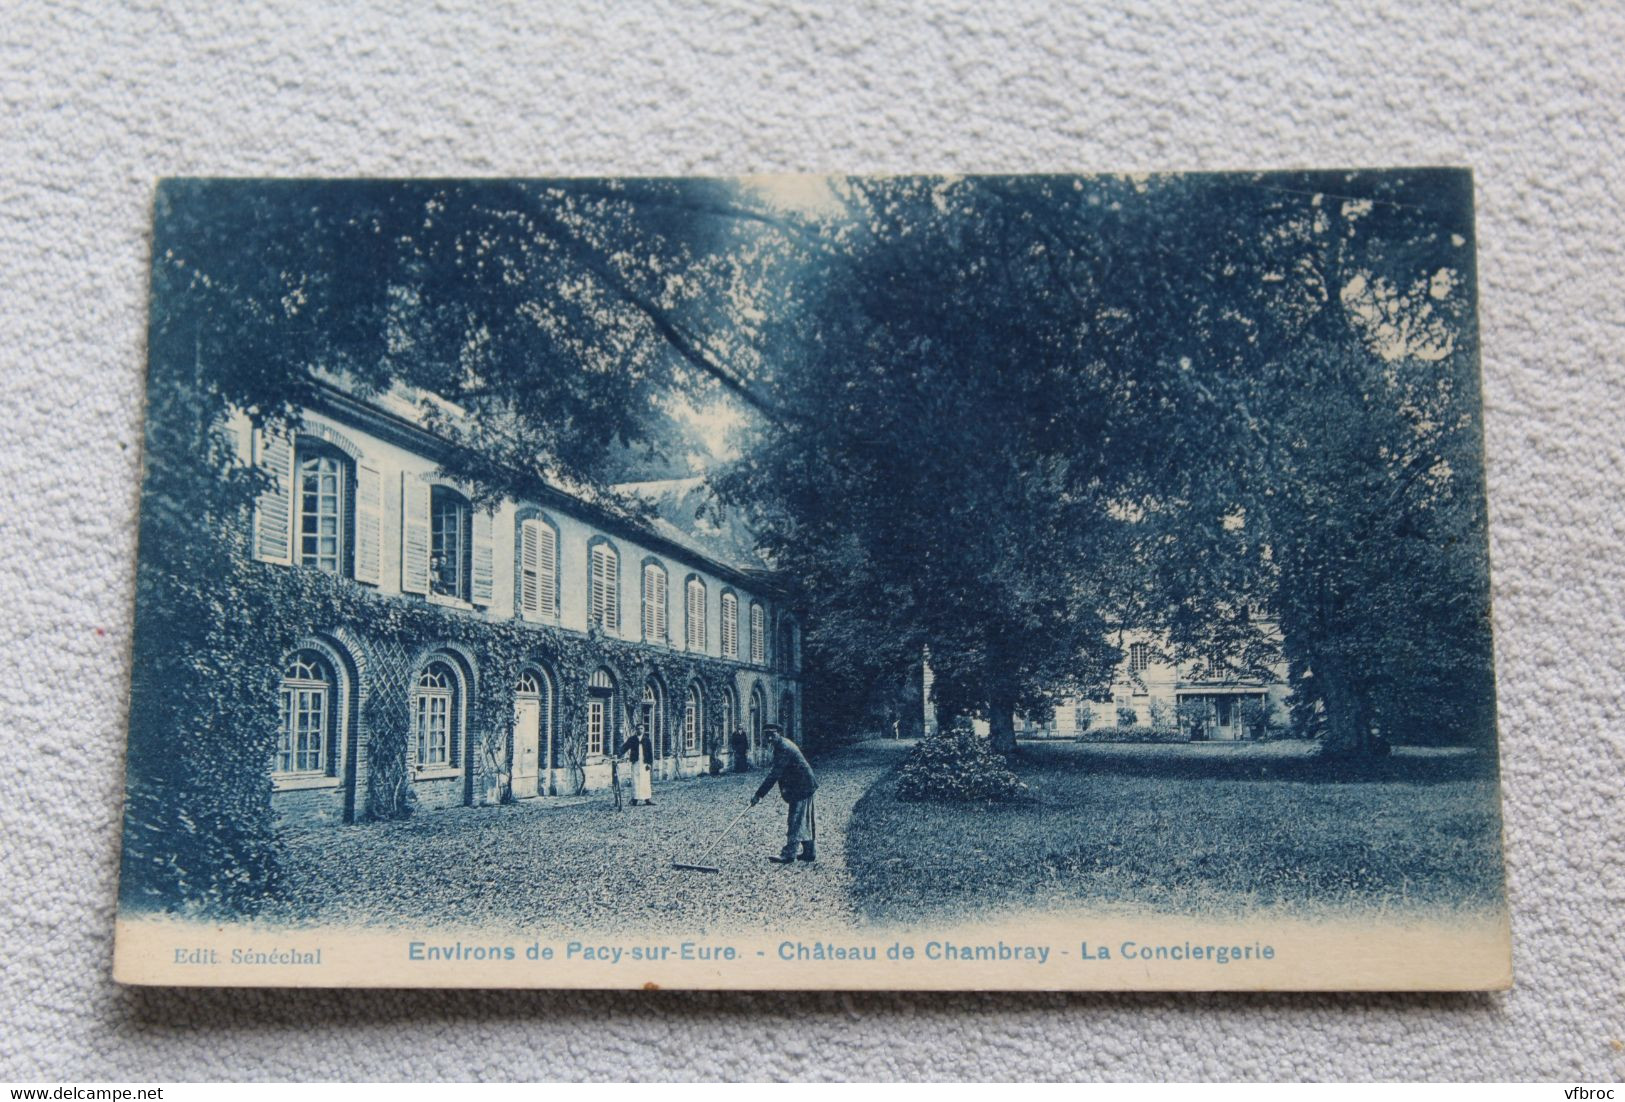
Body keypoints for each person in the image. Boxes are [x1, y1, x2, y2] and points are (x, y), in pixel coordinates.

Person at [749, 725, 818, 864]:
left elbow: (774, 774)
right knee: (803, 819)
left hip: (802, 786)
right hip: (803, 785)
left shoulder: (784, 748)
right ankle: (809, 852)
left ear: (779, 734)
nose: (769, 738)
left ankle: (788, 854)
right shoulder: (781, 745)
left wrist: (759, 795)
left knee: (795, 820)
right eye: (766, 735)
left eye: (772, 735)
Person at [618, 725, 655, 806]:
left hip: (644, 763)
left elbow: (650, 752)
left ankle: (647, 799)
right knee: (635, 780)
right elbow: (625, 747)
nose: (640, 730)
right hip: (636, 762)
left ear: (644, 729)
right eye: (638, 729)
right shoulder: (632, 739)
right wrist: (619, 753)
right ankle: (635, 799)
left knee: (645, 780)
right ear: (636, 730)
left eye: (641, 728)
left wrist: (649, 763)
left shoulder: (647, 740)